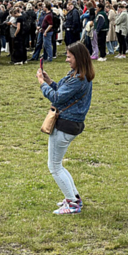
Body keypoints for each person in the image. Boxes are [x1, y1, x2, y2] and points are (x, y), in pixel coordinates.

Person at [37, 41, 94, 215]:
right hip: (71, 124)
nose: (67, 60)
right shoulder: (77, 74)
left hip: (65, 125)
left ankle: (72, 204)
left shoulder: (79, 79)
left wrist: (41, 83)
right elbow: (62, 91)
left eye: (69, 56)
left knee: (54, 166)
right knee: (58, 164)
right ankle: (74, 198)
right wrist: (49, 80)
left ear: (79, 57)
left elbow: (56, 97)